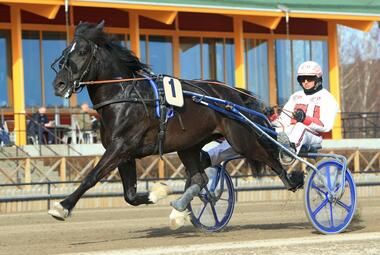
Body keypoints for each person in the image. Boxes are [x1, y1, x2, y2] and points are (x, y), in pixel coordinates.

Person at [202, 61, 339, 166]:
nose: (305, 82)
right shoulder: (295, 96)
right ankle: (210, 157)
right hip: (285, 134)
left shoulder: (328, 98)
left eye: (309, 78)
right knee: (249, 133)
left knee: (299, 127)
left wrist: (305, 119)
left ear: (318, 78)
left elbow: (326, 126)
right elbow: (283, 120)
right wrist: (267, 119)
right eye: (302, 79)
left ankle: (287, 152)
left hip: (312, 136)